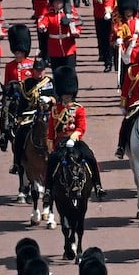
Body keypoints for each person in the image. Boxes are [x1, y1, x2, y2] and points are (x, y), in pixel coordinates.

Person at [45, 66, 104, 202]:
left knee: (90, 156)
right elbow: (50, 130)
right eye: (65, 94)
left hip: (75, 140)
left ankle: (98, 185)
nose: (66, 96)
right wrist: (50, 145)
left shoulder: (78, 109)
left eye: (68, 94)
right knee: (52, 162)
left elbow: (82, 126)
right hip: (60, 142)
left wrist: (74, 136)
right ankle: (48, 190)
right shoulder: (55, 109)